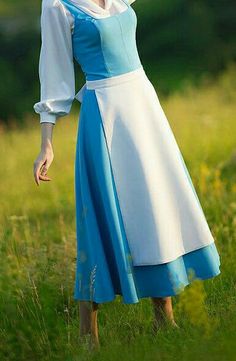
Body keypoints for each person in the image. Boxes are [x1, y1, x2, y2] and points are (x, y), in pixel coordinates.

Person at [33, 0, 221, 349]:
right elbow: (54, 74)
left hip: (144, 109)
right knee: (104, 219)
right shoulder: (57, 5)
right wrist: (47, 144)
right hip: (106, 115)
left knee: (155, 205)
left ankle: (164, 318)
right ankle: (88, 338)